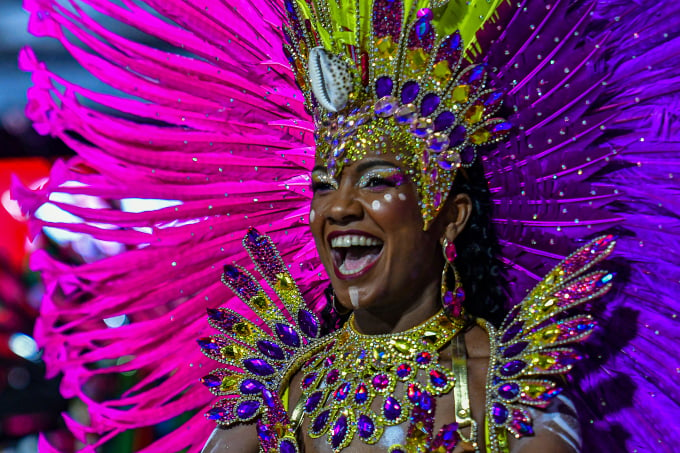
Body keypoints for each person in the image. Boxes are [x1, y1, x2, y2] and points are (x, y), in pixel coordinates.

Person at [15, 0, 680, 452]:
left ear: (450, 214)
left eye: (378, 180)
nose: (338, 208)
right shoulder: (282, 388)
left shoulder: (511, 393)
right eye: (324, 184)